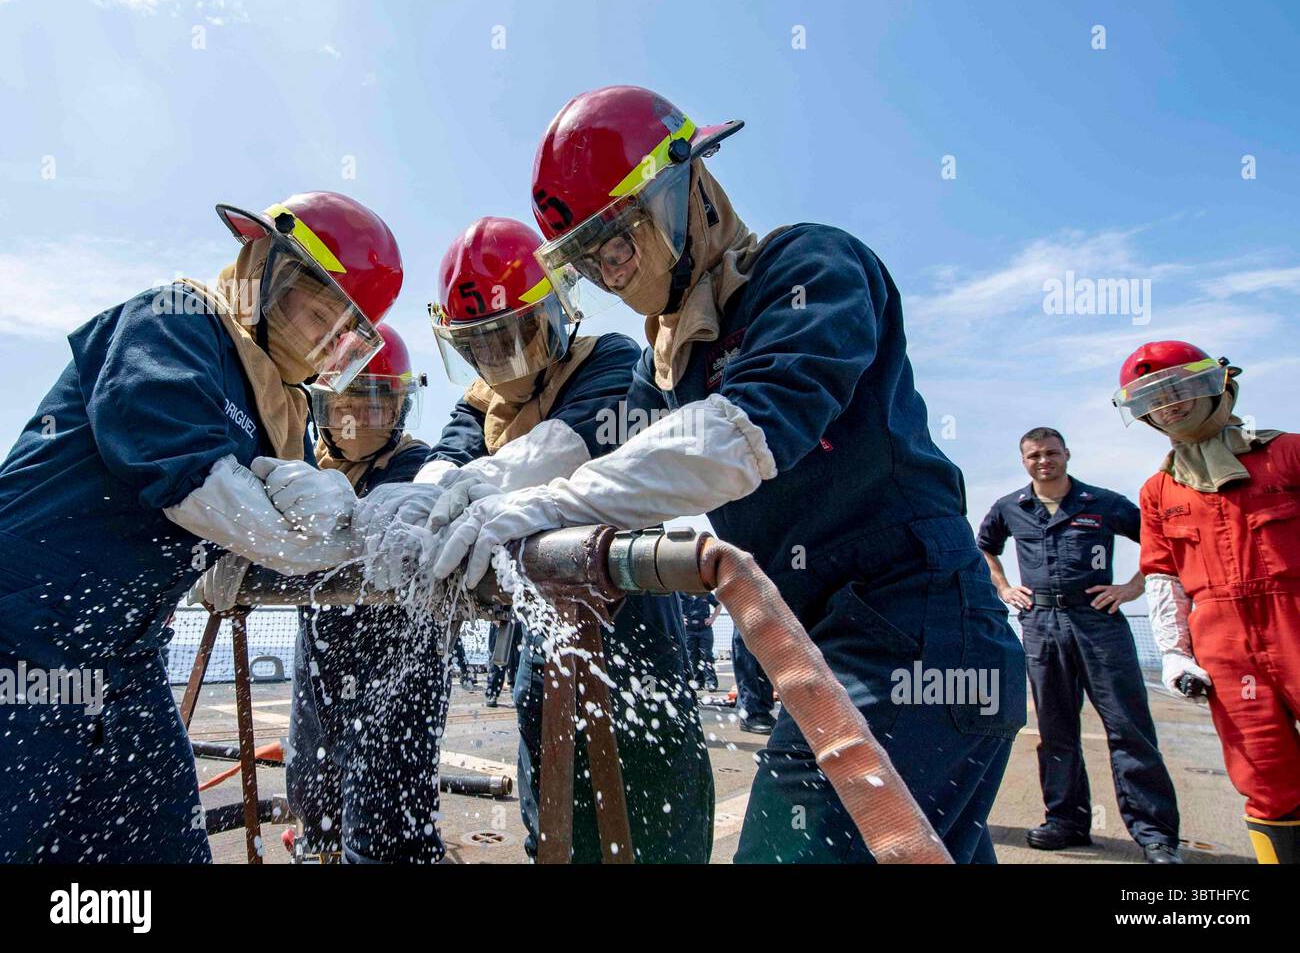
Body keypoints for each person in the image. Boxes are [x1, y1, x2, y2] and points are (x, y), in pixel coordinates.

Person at [428, 86, 1026, 863]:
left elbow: (738, 436)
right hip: (824, 640)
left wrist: (536, 506)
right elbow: (593, 453)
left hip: (921, 631)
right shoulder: (669, 360)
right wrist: (462, 494)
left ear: (687, 186)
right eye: (590, 260)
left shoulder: (807, 267)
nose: (612, 273)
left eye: (620, 240)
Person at [278, 216, 715, 863]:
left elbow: (561, 448)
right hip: (545, 618)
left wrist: (460, 490)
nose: (501, 365)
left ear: (559, 315)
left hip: (628, 614)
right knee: (551, 790)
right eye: (481, 347)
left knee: (653, 796)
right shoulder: (480, 404)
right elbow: (443, 467)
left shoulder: (615, 360)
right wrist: (410, 506)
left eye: (516, 338)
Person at [0, 191, 402, 863]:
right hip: (19, 636)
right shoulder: (171, 321)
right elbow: (190, 476)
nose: (327, 342)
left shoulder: (280, 409)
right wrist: (356, 543)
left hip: (125, 661)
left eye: (345, 335)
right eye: (319, 314)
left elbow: (264, 530)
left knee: (163, 847)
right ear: (265, 270)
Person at [269, 323, 450, 863]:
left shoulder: (421, 471)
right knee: (311, 787)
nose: (365, 416)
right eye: (350, 400)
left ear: (400, 408)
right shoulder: (303, 466)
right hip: (319, 654)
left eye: (380, 402)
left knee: (385, 814)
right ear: (323, 406)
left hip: (404, 662)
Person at [1114, 340, 1300, 864]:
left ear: (1213, 385)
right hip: (1223, 641)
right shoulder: (1159, 490)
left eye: (1176, 390)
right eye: (1152, 399)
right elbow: (1162, 574)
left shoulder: (1289, 453)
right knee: (1265, 776)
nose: (1167, 405)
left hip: (1294, 620)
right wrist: (1174, 651)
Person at [978, 427, 1181, 862]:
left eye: (1051, 453)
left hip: (1098, 622)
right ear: (1023, 460)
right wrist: (1003, 588)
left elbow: (1160, 542)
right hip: (1040, 625)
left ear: (1067, 454)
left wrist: (1130, 588)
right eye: (1034, 455)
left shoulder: (1103, 504)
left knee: (1127, 726)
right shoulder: (1011, 507)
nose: (1043, 461)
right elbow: (985, 548)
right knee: (1055, 729)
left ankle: (1155, 834)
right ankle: (1065, 821)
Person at [680, 592, 720, 691]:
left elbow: (718, 605)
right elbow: (672, 607)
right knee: (692, 656)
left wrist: (712, 618)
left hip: (704, 628)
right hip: (689, 629)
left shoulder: (705, 593)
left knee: (706, 655)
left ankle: (711, 682)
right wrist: (680, 617)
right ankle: (698, 682)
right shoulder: (681, 593)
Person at [484, 620, 523, 708]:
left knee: (517, 653)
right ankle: (493, 692)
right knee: (498, 655)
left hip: (518, 616)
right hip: (501, 615)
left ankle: (515, 688)